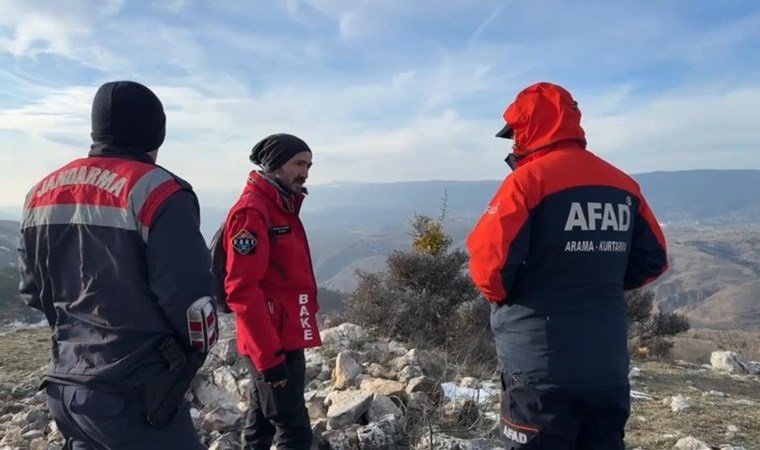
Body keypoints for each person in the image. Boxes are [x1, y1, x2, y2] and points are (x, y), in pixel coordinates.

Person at [466, 81, 668, 449]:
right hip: (606, 368)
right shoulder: (623, 185)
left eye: (516, 133)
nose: (513, 144)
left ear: (529, 129)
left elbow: (489, 270)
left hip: (539, 369)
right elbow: (653, 259)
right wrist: (595, 282)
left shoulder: (525, 184)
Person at [17, 80, 217, 449]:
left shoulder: (39, 192)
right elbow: (191, 304)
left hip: (66, 385)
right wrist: (190, 357)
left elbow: (32, 289)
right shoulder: (159, 191)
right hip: (137, 392)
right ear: (157, 133)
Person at [220, 133, 322, 449]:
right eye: (298, 163)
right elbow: (241, 289)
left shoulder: (279, 206)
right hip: (271, 340)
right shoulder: (253, 212)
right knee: (294, 429)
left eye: (309, 164)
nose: (305, 172)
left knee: (262, 419)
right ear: (276, 165)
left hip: (285, 333)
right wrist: (269, 358)